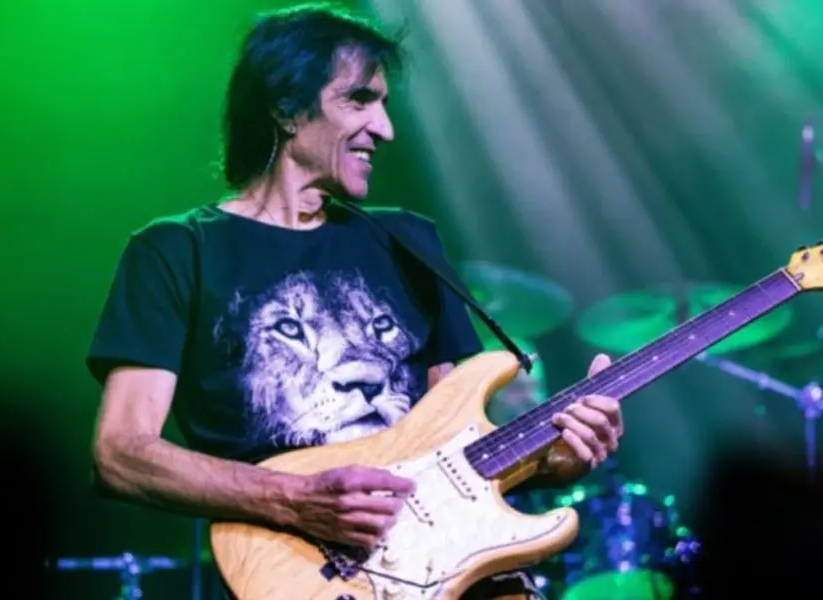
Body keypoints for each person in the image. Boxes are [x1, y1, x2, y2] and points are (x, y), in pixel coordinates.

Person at [86, 3, 624, 599]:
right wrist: (294, 501)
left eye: (385, 104)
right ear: (286, 108)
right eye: (360, 100)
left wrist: (560, 458)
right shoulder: (175, 250)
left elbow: (460, 457)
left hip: (456, 573)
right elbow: (122, 453)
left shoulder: (409, 242)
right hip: (302, 577)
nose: (385, 129)